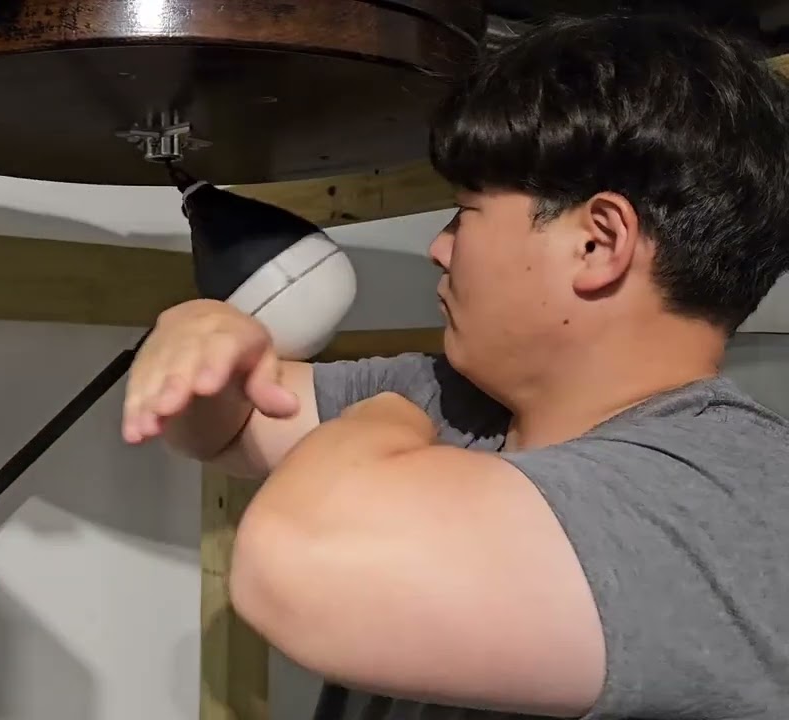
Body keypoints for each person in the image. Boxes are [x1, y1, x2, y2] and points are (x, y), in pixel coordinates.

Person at [121, 12, 789, 720]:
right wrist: (200, 337)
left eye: (464, 213)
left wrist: (384, 413)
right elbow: (230, 427)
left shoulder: (731, 504)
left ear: (597, 244)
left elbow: (296, 561)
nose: (439, 248)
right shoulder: (463, 395)